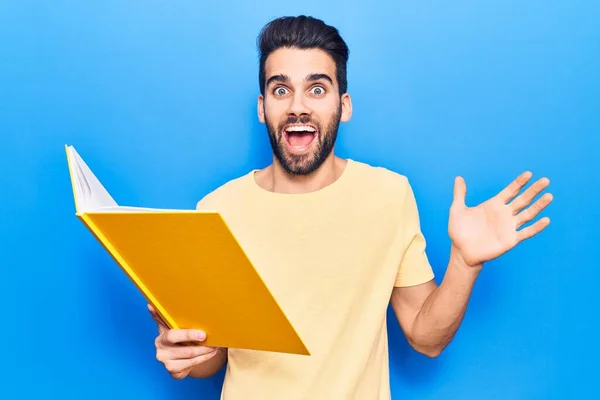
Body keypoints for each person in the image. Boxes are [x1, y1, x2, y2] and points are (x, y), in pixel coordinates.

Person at [147, 15, 553, 399]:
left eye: (317, 89)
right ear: (262, 107)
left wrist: (465, 264)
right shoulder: (218, 208)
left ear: (345, 105)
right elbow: (211, 359)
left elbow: (425, 338)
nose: (298, 107)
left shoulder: (389, 195)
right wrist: (184, 351)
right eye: (281, 89)